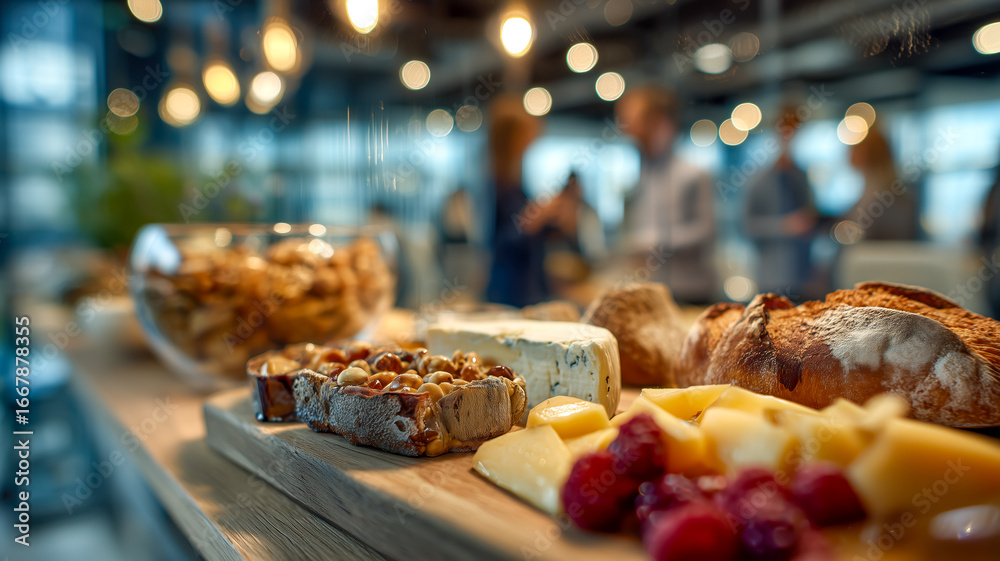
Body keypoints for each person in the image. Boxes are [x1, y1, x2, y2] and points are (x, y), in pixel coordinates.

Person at [616, 85, 717, 303]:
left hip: (689, 292)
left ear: (662, 123)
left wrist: (655, 242)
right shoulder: (642, 176)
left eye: (637, 121)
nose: (629, 130)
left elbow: (706, 231)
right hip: (651, 291)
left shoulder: (693, 175)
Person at [742, 105, 817, 296]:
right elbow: (746, 227)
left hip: (803, 276)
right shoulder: (758, 181)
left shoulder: (802, 176)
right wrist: (785, 227)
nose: (790, 139)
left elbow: (810, 220)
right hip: (771, 278)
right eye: (786, 132)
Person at [484, 94, 547, 307]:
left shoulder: (513, 178)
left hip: (524, 284)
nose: (532, 140)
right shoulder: (493, 181)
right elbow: (494, 241)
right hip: (507, 288)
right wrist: (533, 220)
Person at [844, 125, 918, 240]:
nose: (849, 153)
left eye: (856, 148)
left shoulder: (891, 196)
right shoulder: (867, 191)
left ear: (871, 152)